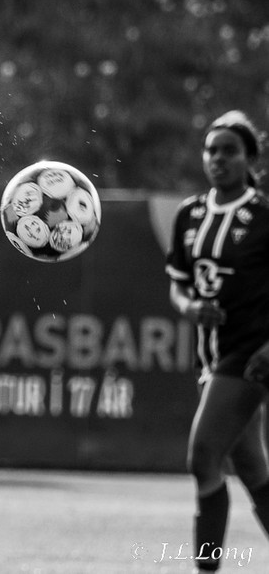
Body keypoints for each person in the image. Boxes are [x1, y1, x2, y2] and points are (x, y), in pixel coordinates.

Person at [165, 110, 269, 571]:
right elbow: (178, 286)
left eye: (230, 150)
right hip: (210, 357)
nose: (218, 158)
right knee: (251, 468)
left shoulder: (263, 216)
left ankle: (206, 569)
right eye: (211, 150)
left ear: (250, 159)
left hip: (250, 355)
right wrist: (189, 307)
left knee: (203, 457)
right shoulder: (189, 214)